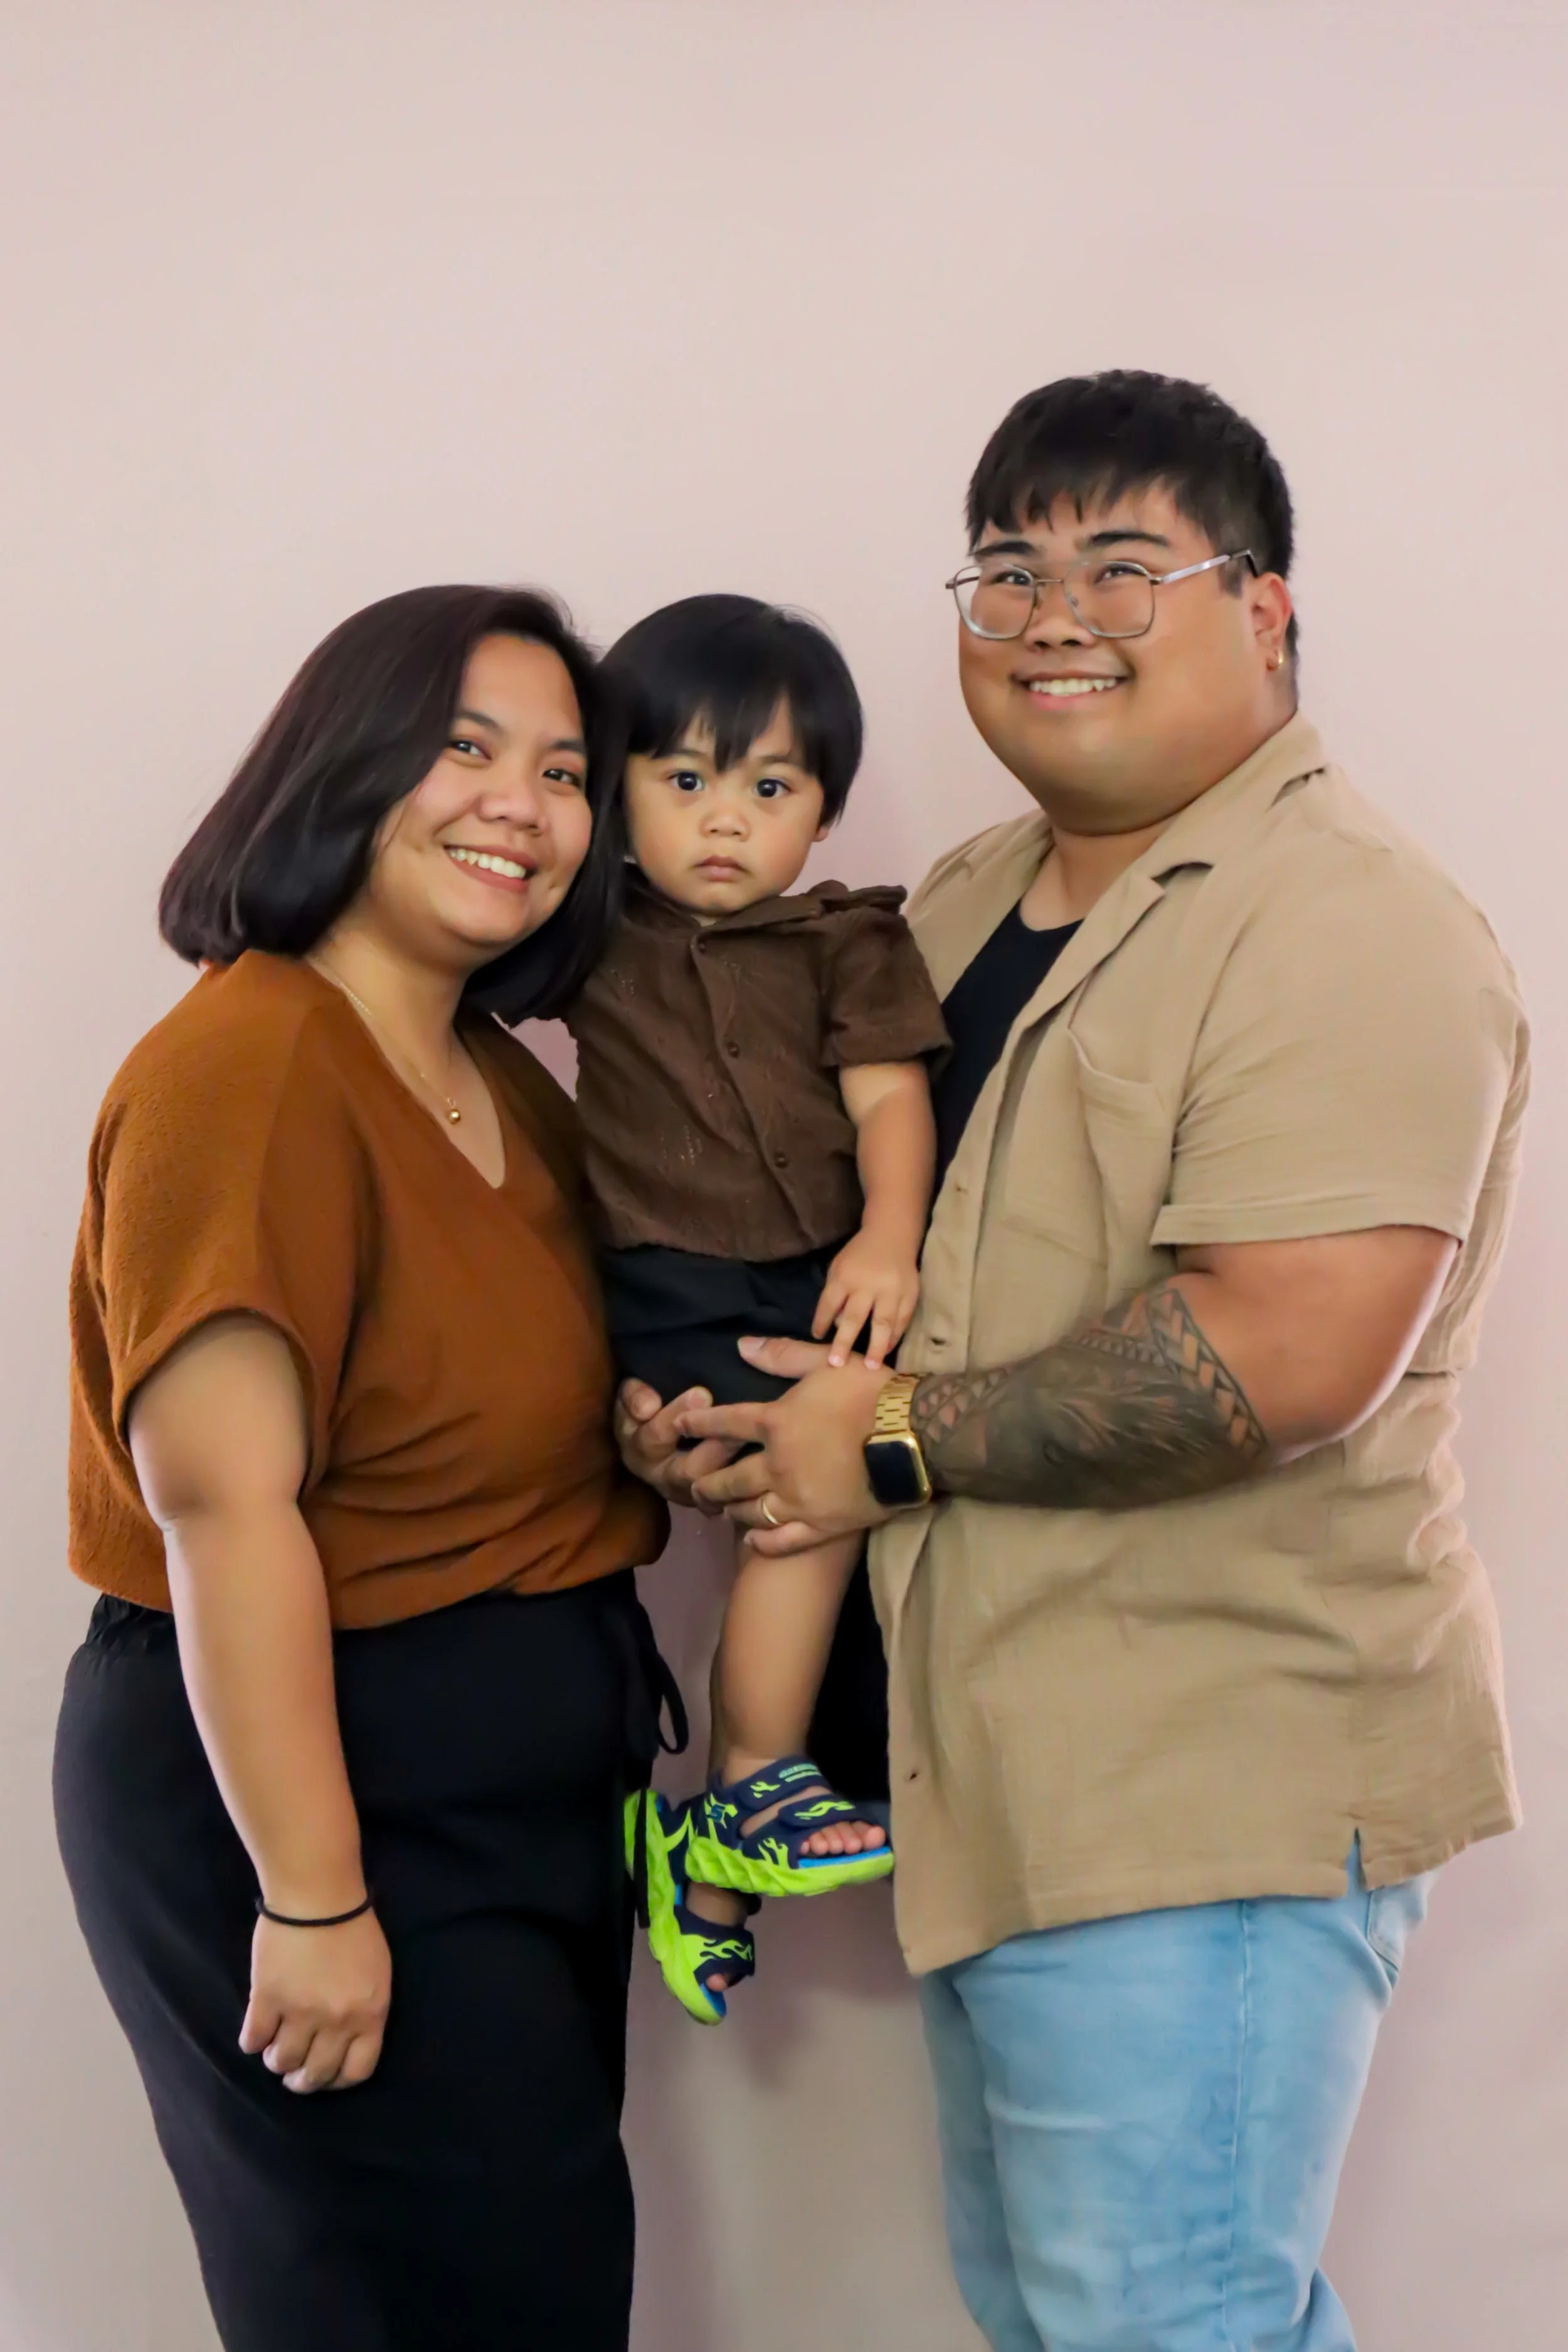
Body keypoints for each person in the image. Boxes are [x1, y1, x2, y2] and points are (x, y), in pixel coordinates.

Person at [626, 373, 1529, 2350]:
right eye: (1005, 569)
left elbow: (1281, 1353)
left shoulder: (1347, 923)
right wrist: (740, 1412)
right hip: (1007, 1788)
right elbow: (855, 1262)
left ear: (1264, 611)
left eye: (1122, 562)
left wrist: (868, 1442)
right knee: (1065, 2322)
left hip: (1204, 1789)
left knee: (1165, 2327)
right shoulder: (952, 902)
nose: (1050, 613)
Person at [54, 585, 677, 2352]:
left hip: (510, 1801)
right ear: (344, 762)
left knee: (536, 2289)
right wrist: (313, 1890)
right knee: (415, 2310)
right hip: (316, 1788)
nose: (525, 803)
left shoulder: (495, 1073)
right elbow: (222, 1503)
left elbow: (472, 1406)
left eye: (565, 769)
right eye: (464, 746)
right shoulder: (252, 1063)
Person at [563, 595, 948, 2022]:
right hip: (664, 1280)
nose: (723, 821)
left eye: (768, 787)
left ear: (820, 814)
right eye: (681, 781)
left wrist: (890, 1240)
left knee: (827, 1505)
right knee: (793, 1506)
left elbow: (889, 1097)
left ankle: (723, 1831)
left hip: (824, 1280)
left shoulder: (849, 940)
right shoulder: (588, 928)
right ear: (614, 798)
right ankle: (743, 1795)